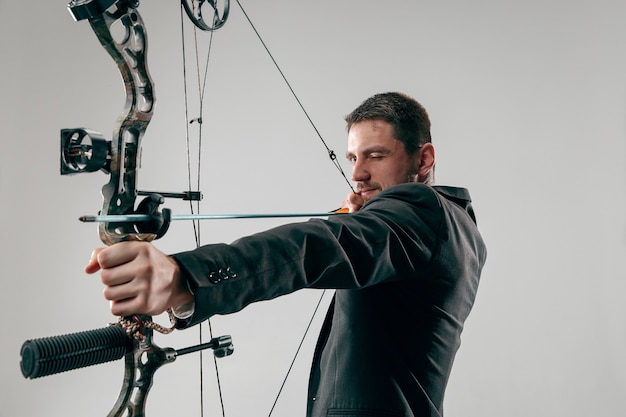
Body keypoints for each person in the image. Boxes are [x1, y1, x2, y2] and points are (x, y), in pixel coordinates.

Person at [86, 92, 487, 417]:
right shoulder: (451, 229)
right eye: (353, 157)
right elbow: (349, 243)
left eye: (376, 155)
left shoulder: (420, 209)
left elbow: (317, 246)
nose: (358, 174)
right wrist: (353, 222)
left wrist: (184, 276)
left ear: (424, 159)